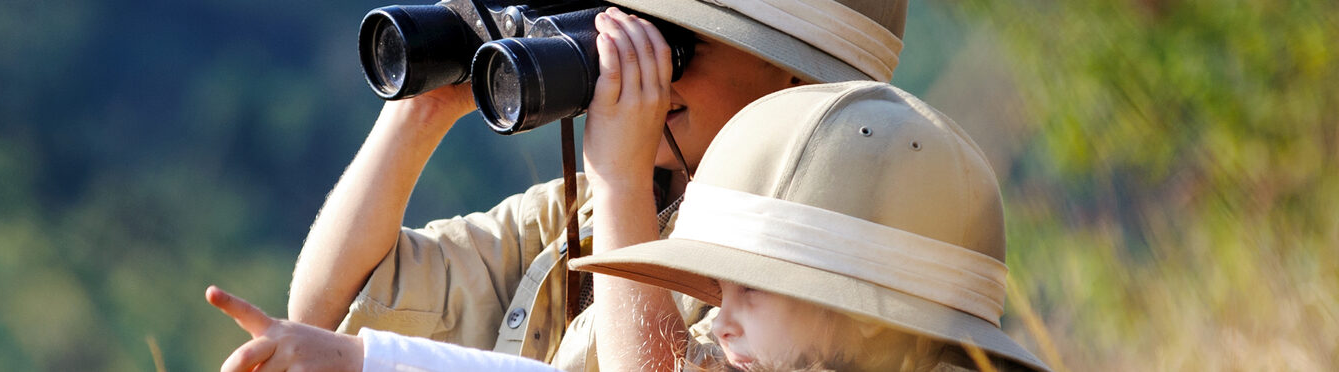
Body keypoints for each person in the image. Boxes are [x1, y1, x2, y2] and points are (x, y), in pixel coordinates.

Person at [209, 81, 1052, 372]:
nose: (719, 319)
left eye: (752, 289)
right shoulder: (573, 212)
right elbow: (335, 300)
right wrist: (425, 107)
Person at [287, 0, 915, 370]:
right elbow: (326, 311)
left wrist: (620, 187)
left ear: (793, 78)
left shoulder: (822, 259)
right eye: (625, 26)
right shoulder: (581, 217)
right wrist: (422, 108)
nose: (633, 64)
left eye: (675, 44)